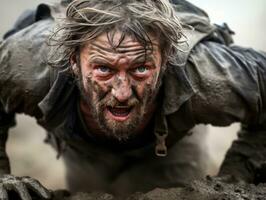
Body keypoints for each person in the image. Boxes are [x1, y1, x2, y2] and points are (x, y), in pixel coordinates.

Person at [0, 0, 265, 199]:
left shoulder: (205, 75)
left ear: (166, 61)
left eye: (141, 68)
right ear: (73, 62)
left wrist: (238, 175)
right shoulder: (29, 63)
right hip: (82, 150)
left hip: (171, 148)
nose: (122, 93)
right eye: (104, 69)